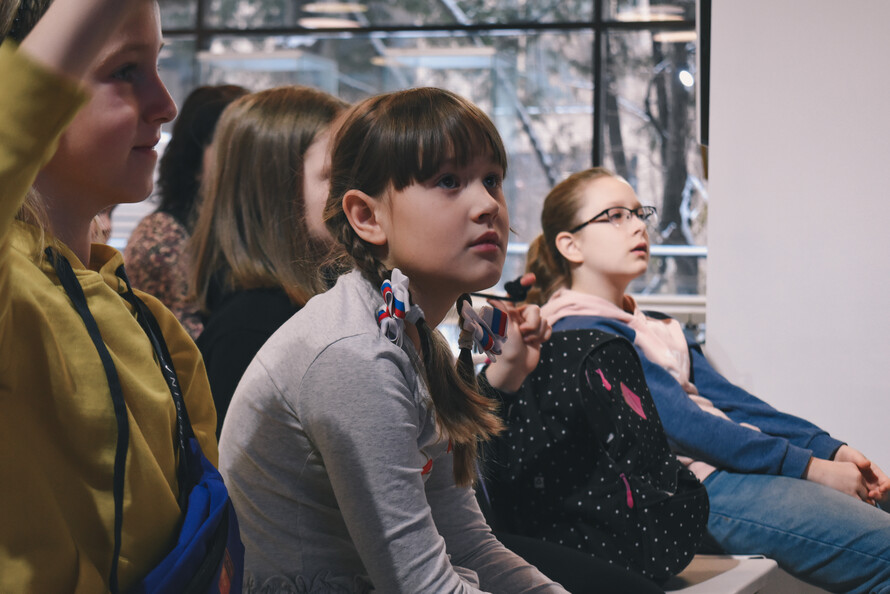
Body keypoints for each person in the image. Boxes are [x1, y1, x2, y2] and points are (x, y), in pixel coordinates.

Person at [219, 87, 569, 593]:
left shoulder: (415, 338)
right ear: (367, 217)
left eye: (492, 180)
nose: (488, 205)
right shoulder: (354, 354)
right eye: (448, 181)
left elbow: (468, 545)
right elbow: (420, 586)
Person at [523, 166, 890, 593]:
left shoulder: (653, 324)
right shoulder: (579, 333)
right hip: (686, 492)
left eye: (640, 213)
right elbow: (687, 427)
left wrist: (829, 448)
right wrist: (810, 468)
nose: (638, 226)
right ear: (570, 244)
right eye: (616, 215)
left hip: (726, 474)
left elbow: (737, 404)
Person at [0, 0, 221, 591]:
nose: (165, 104)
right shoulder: (13, 297)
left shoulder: (155, 325)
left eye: (157, 65)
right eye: (124, 71)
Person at [189, 85, 347, 435]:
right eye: (334, 175)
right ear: (276, 188)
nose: (356, 190)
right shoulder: (252, 330)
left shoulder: (325, 302)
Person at [124, 83, 248, 339]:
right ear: (196, 157)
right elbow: (187, 347)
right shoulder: (162, 238)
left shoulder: (244, 229)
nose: (248, 162)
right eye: (233, 147)